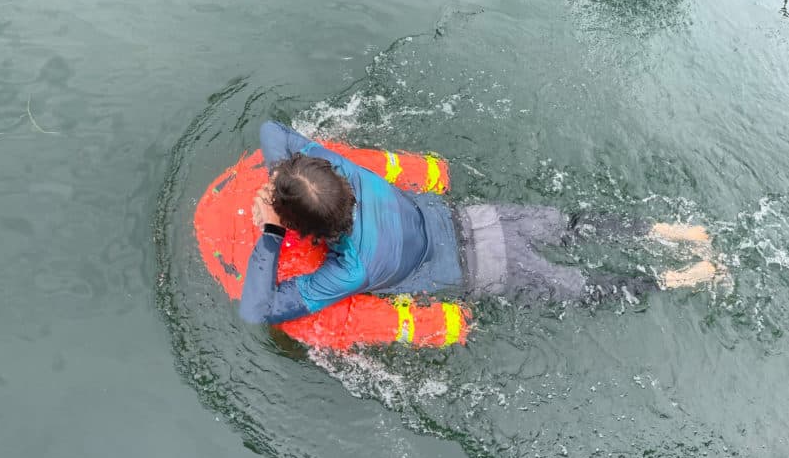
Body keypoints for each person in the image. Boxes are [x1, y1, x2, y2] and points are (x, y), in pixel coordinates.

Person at [240, 121, 719, 324]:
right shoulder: (347, 172)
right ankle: (671, 232)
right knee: (574, 225)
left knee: (588, 287)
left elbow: (258, 310)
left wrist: (272, 229)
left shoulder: (349, 270)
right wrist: (288, 179)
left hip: (489, 270)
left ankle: (681, 278)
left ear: (310, 232)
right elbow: (273, 130)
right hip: (484, 218)